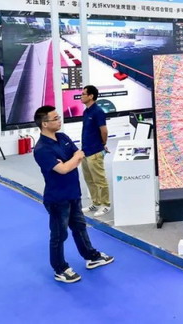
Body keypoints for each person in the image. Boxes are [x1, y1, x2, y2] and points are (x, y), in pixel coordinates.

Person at [32, 105, 114, 283]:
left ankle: (91, 256)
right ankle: (60, 269)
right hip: (57, 198)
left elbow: (79, 154)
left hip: (73, 193)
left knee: (80, 227)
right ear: (44, 124)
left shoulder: (62, 137)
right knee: (59, 235)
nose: (59, 120)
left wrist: (69, 161)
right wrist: (71, 161)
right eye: (55, 118)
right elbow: (63, 169)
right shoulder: (41, 149)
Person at [80, 85, 111, 217]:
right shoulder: (86, 112)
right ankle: (96, 202)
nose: (81, 96)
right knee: (89, 180)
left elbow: (104, 131)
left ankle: (106, 205)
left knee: (100, 180)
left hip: (95, 151)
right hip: (85, 151)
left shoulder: (98, 112)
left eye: (83, 94)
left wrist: (102, 144)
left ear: (91, 96)